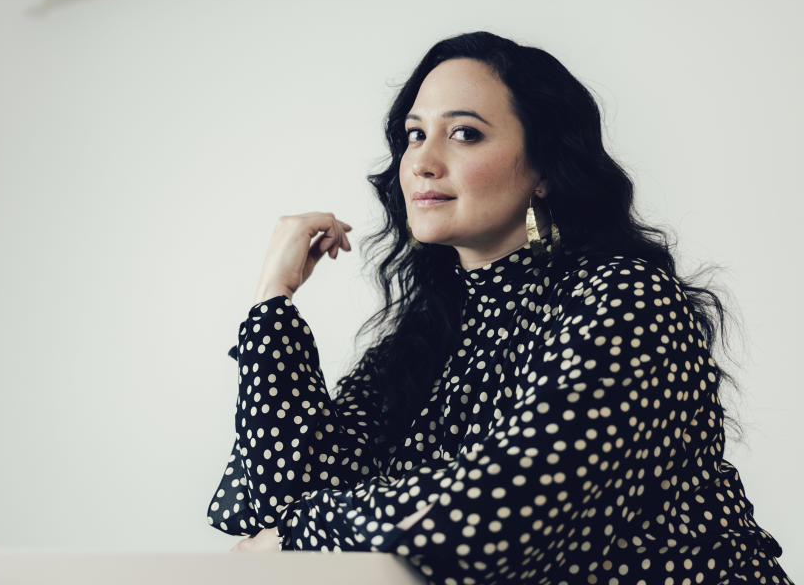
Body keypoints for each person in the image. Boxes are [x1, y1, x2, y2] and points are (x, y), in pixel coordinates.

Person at [204, 31, 792, 584]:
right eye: (414, 134)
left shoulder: (626, 301)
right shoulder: (425, 340)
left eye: (464, 133)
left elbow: (505, 516)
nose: (422, 162)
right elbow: (281, 499)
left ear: (543, 169)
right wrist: (272, 304)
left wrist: (303, 534)